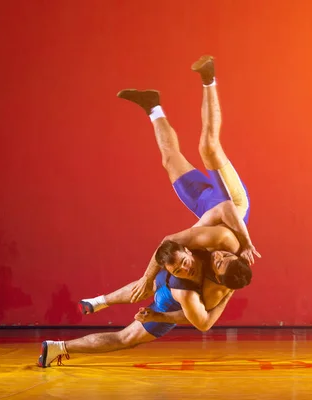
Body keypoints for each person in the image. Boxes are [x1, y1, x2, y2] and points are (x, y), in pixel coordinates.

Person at [37, 56, 258, 368]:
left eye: (218, 263)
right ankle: (209, 78)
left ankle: (153, 106)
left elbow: (201, 320)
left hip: (201, 214)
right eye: (224, 257)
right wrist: (246, 242)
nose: (219, 258)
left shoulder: (206, 286)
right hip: (230, 203)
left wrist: (159, 310)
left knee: (170, 160)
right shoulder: (228, 241)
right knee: (208, 146)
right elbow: (221, 211)